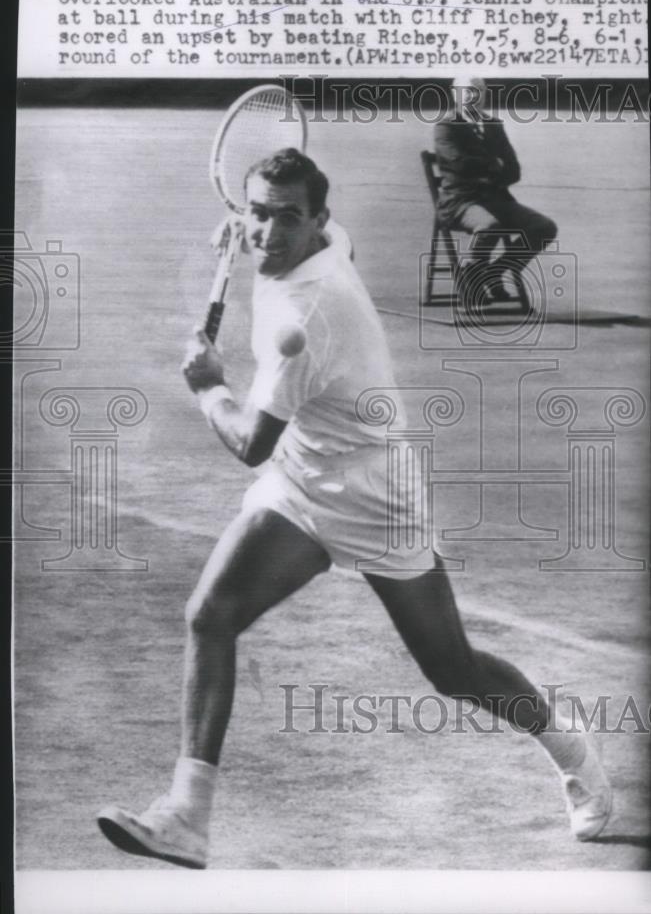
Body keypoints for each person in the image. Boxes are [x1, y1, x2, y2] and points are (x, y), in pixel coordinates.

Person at [97, 148, 610, 869]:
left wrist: (208, 387)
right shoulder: (319, 242)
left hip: (374, 495)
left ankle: (572, 751)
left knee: (452, 671)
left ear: (318, 223)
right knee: (210, 616)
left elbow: (247, 442)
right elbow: (311, 241)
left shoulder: (308, 314)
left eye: (288, 219)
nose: (269, 233)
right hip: (303, 477)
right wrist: (238, 234)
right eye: (258, 213)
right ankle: (186, 817)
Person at [434, 75, 557, 307]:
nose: (473, 97)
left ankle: (493, 273)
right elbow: (459, 163)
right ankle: (473, 278)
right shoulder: (446, 126)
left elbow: (513, 170)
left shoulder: (493, 125)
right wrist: (493, 164)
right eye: (468, 91)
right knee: (489, 227)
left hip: (496, 200)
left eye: (479, 92)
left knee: (544, 227)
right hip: (460, 202)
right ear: (455, 95)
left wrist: (488, 167)